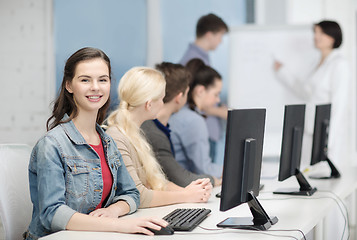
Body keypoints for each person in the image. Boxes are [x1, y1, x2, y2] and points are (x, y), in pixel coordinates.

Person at [25, 47, 168, 239]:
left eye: (103, 79)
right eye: (85, 80)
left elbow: (131, 194)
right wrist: (116, 225)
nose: (96, 87)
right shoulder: (52, 145)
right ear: (69, 85)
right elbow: (52, 214)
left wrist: (114, 211)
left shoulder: (107, 141)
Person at [105, 66, 212, 209]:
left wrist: (191, 191)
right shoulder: (116, 138)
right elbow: (140, 195)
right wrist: (186, 195)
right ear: (149, 105)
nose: (163, 103)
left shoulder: (134, 133)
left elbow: (152, 182)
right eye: (161, 99)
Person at [274, 20, 352, 166]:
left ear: (332, 37)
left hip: (327, 136)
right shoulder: (316, 63)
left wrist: (328, 141)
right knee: (310, 175)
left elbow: (339, 105)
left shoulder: (339, 64)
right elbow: (306, 93)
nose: (316, 36)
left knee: (327, 180)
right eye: (315, 32)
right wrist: (283, 72)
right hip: (310, 132)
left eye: (321, 33)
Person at [140, 62, 222, 187]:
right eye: (216, 94)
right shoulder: (190, 120)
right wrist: (215, 179)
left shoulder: (163, 123)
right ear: (179, 97)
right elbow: (197, 171)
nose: (218, 100)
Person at [180, 13, 229, 162]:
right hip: (203, 130)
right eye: (220, 36)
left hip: (208, 129)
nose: (220, 41)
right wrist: (222, 112)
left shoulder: (202, 58)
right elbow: (195, 100)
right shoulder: (194, 61)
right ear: (209, 35)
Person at [169, 58, 223, 178]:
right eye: (216, 94)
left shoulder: (181, 113)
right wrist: (231, 170)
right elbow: (203, 169)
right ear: (200, 91)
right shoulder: (193, 120)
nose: (218, 100)